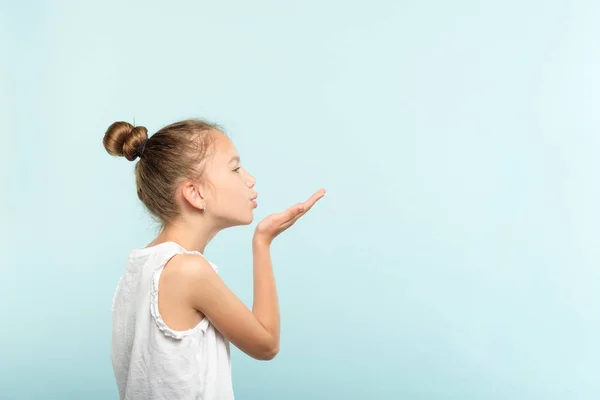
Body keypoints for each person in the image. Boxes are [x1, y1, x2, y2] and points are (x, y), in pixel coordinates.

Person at [103, 119, 326, 399]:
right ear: (195, 194)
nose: (249, 179)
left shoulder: (137, 270)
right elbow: (267, 344)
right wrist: (263, 242)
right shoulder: (188, 271)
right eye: (235, 168)